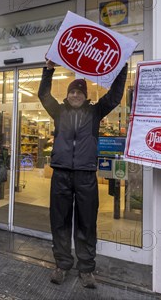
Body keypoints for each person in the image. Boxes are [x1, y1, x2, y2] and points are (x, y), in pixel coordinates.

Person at [38, 58, 127, 289]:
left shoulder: (96, 111)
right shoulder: (58, 111)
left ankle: (86, 268)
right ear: (67, 95)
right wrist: (48, 70)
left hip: (86, 175)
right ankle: (62, 264)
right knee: (60, 221)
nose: (75, 95)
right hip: (61, 174)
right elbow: (43, 95)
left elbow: (115, 97)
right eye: (72, 92)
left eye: (79, 92)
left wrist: (122, 67)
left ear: (85, 95)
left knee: (87, 222)